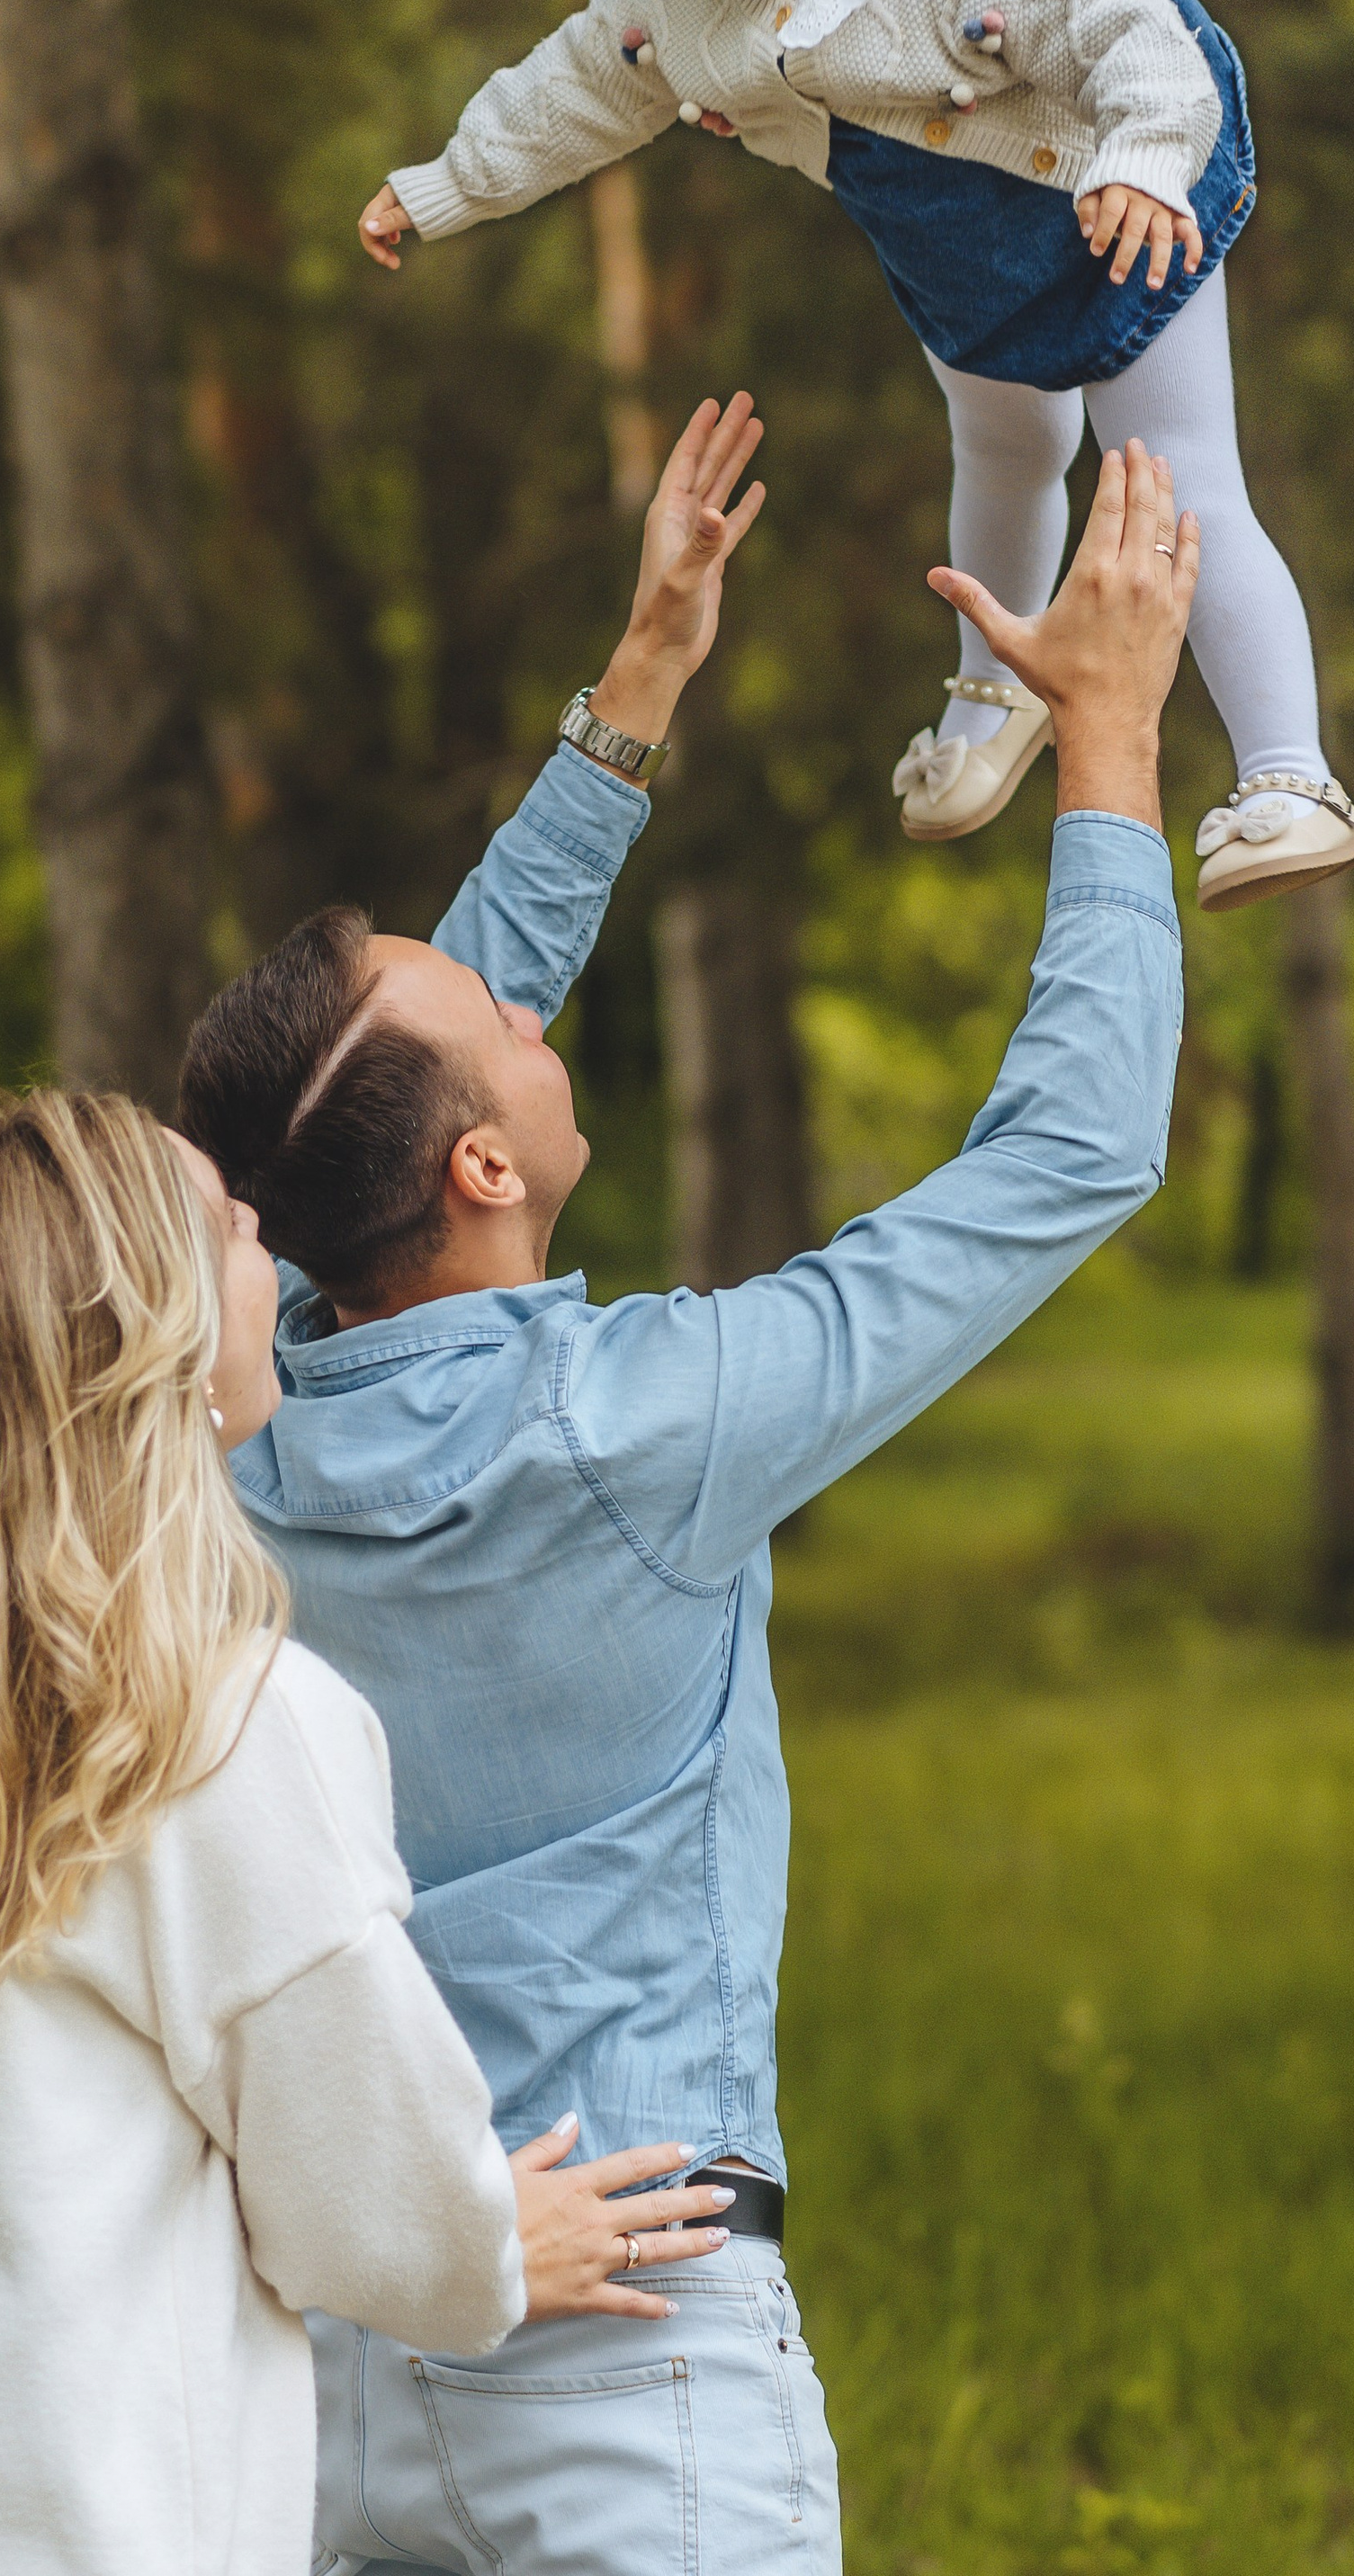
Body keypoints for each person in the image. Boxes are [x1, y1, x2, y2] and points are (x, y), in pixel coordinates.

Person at [177, 397, 1197, 2576]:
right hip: (633, 2353)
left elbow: (356, 1136)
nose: (538, 1022)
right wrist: (1107, 747)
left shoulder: (230, 1418)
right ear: (478, 1166)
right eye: (509, 1028)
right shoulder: (647, 1428)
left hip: (342, 2346)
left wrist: (633, 693)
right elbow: (1066, 1157)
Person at [0, 1089, 731, 2576]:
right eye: (240, 1231)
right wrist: (496, 2240)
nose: (274, 1253)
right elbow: (370, 2205)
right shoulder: (226, 1725)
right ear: (153, 1338)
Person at [356, 0, 1354, 917]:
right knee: (1007, 450)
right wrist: (443, 185)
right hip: (952, 241)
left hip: (1119, 192)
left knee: (1178, 475)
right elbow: (581, 84)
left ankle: (1287, 777)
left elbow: (1141, 42)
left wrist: (1140, 159)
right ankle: (995, 696)